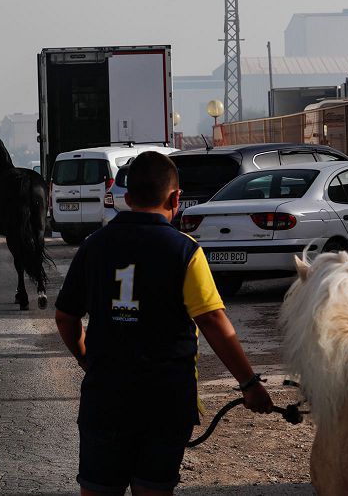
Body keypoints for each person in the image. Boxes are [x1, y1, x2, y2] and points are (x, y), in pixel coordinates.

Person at [54, 151, 273, 496]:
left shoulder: (92, 246)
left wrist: (85, 358)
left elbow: (66, 316)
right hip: (166, 400)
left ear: (126, 198)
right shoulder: (185, 251)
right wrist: (248, 382)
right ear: (175, 198)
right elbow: (214, 321)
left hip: (105, 398)